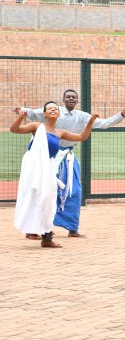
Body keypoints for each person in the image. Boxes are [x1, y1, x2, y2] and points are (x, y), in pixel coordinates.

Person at [18, 89, 125, 238]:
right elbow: (33, 113)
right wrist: (22, 111)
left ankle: (72, 228)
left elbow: (103, 124)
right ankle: (35, 229)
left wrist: (121, 115)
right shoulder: (54, 110)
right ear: (63, 99)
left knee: (74, 190)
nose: (71, 99)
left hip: (67, 157)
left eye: (73, 97)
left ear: (77, 100)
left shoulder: (82, 116)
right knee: (42, 190)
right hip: (47, 156)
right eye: (68, 97)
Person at [11, 102, 98, 248]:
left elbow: (82, 137)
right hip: (34, 166)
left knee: (48, 199)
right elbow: (14, 130)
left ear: (59, 113)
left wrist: (90, 122)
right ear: (44, 113)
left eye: (55, 108)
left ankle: (46, 237)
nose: (53, 109)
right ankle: (35, 231)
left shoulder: (60, 132)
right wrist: (20, 118)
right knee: (35, 197)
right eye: (49, 108)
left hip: (48, 167)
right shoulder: (37, 126)